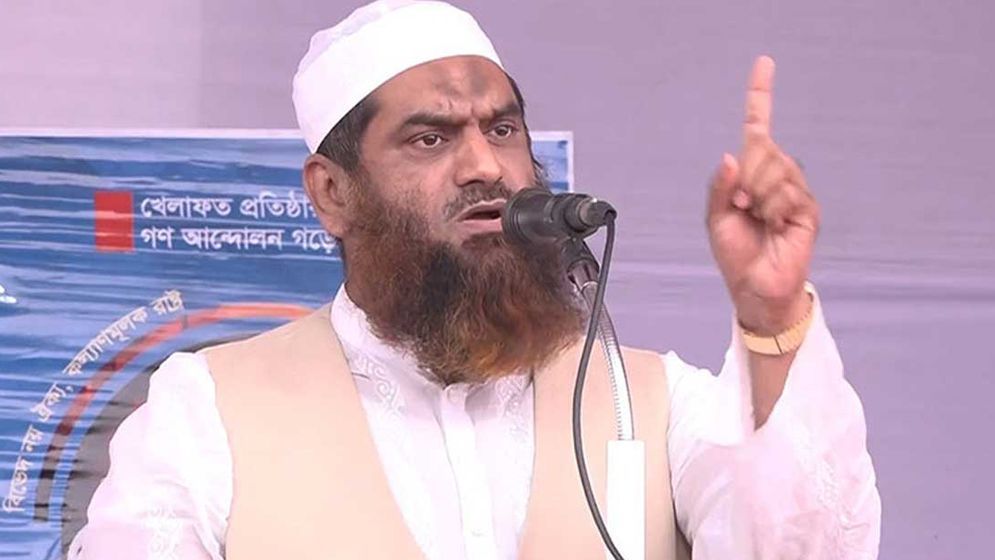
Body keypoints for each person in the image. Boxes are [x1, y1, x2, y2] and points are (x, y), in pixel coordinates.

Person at [69, 1, 881, 558]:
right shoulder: (205, 413)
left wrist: (771, 313)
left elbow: (806, 549)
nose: (484, 166)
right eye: (429, 138)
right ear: (332, 192)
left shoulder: (653, 402)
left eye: (502, 129)